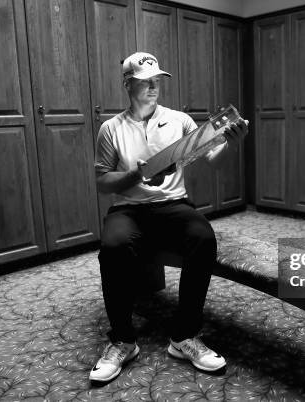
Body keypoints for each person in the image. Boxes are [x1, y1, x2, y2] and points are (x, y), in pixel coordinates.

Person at [89, 52, 248, 382]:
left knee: (203, 237)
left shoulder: (180, 121)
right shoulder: (111, 128)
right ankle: (122, 341)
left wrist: (232, 143)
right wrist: (134, 175)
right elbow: (103, 182)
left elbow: (213, 160)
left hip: (173, 205)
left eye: (156, 80)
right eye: (144, 81)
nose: (152, 87)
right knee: (114, 245)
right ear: (127, 84)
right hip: (128, 209)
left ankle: (184, 336)